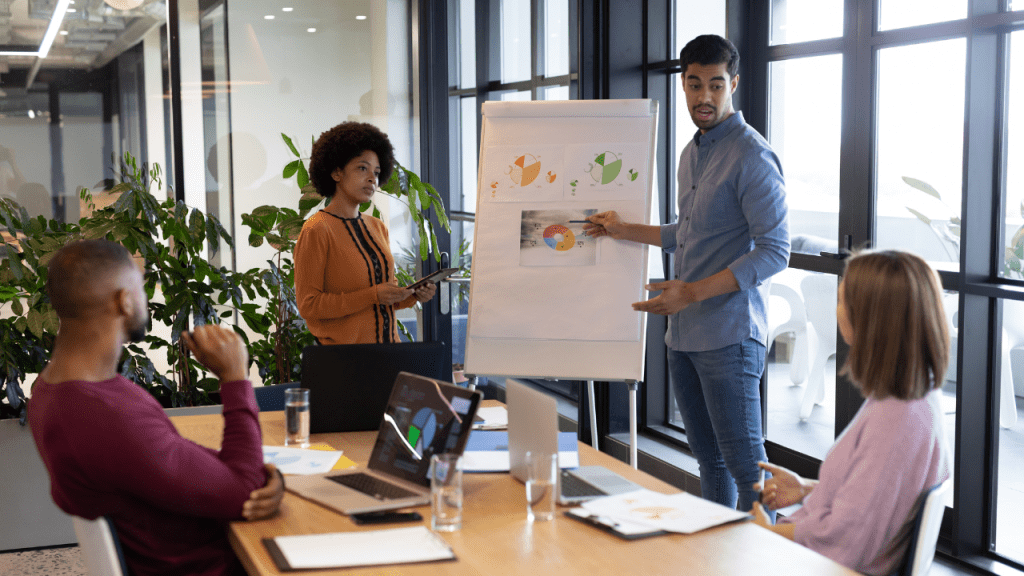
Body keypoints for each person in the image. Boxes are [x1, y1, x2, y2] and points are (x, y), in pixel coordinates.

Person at [585, 34, 789, 513]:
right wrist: (621, 230)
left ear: (732, 84)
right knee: (710, 465)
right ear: (683, 84)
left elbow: (776, 252)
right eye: (695, 85)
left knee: (749, 473)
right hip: (683, 337)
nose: (704, 97)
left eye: (716, 85)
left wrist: (691, 293)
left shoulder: (752, 156)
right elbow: (689, 232)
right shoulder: (691, 153)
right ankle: (716, 558)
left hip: (730, 337)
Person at [29, 239, 284, 576]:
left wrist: (268, 475)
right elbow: (244, 492)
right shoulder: (106, 415)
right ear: (125, 300)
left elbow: (179, 457)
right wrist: (235, 377)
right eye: (142, 287)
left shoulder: (52, 391)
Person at [751, 250, 951, 576]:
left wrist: (766, 534)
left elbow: (845, 543)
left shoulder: (895, 422)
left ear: (871, 319)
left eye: (842, 300)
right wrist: (808, 489)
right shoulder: (916, 398)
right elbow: (878, 501)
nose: (836, 310)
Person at [294, 121, 436, 345]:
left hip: (390, 355)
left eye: (377, 172)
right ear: (336, 172)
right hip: (346, 363)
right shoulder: (316, 229)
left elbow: (383, 297)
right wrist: (373, 295)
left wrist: (411, 296)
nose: (372, 178)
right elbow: (309, 305)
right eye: (362, 168)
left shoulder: (377, 226)